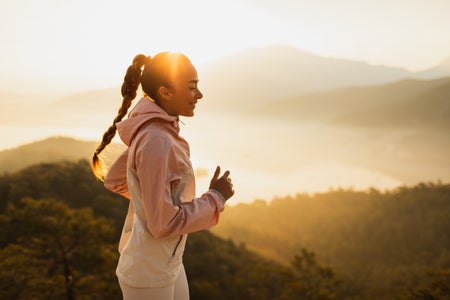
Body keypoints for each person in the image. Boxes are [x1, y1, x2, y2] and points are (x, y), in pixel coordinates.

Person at [91, 52, 235, 300]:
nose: (199, 95)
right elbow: (163, 223)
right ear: (165, 92)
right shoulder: (156, 139)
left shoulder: (153, 132)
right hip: (149, 271)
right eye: (192, 87)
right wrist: (215, 197)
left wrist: (153, 200)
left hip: (165, 260)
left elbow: (116, 180)